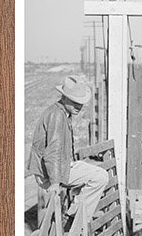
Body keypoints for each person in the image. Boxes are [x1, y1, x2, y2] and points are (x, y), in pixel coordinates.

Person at [27, 75, 108, 222]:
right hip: (49, 173)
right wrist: (55, 183)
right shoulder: (57, 116)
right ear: (64, 98)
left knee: (93, 172)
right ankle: (76, 218)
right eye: (75, 102)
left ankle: (76, 213)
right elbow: (52, 152)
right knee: (100, 177)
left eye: (81, 103)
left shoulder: (61, 112)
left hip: (59, 167)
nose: (79, 107)